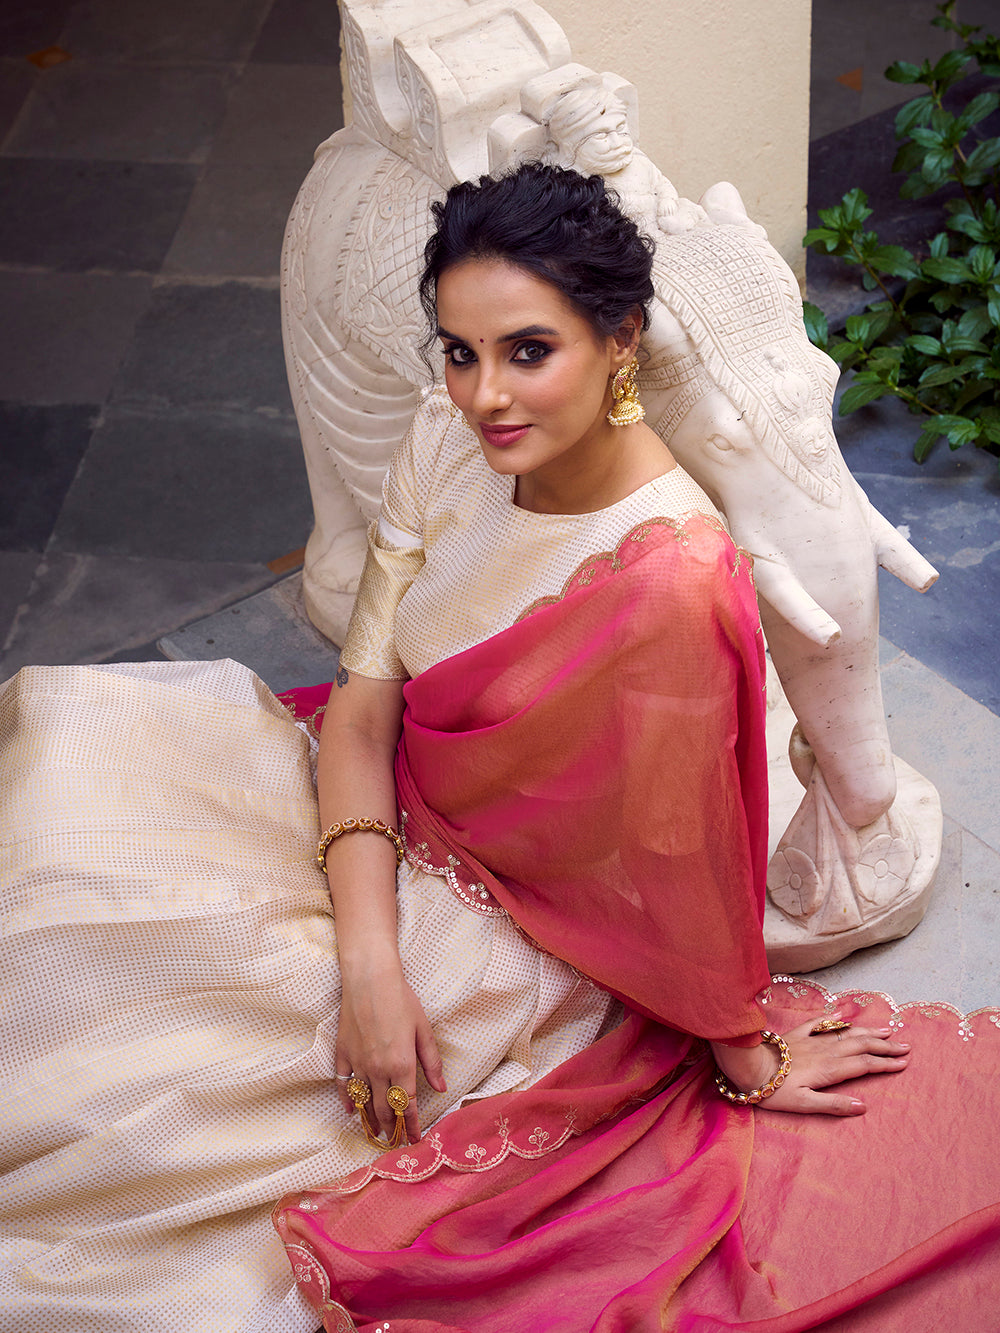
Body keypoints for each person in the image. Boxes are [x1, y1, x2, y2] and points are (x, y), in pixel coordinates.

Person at [0, 165, 998, 1333]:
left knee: (114, 1089)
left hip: (493, 921)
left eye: (529, 350)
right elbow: (367, 700)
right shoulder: (449, 435)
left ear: (619, 339)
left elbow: (677, 864)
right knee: (70, 810)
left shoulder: (667, 579)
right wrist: (366, 956)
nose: (483, 395)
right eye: (459, 351)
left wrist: (738, 1044)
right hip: (356, 793)